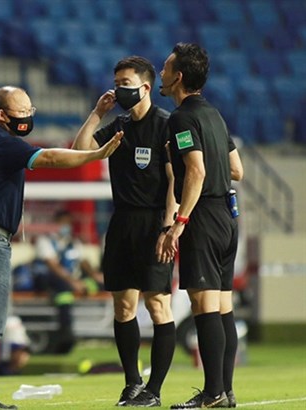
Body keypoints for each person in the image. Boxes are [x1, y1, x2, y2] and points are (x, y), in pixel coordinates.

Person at [0, 85, 123, 410]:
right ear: (2, 115)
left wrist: (96, 117)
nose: (28, 117)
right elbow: (50, 157)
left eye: (31, 110)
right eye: (22, 112)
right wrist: (96, 155)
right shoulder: (3, 144)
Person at [72, 56, 178, 407]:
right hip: (122, 223)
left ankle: (155, 390)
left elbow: (175, 181)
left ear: (146, 87)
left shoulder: (166, 125)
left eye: (126, 84)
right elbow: (80, 152)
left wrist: (170, 226)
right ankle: (132, 382)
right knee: (123, 306)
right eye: (116, 83)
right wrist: (96, 113)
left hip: (154, 223)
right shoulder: (118, 126)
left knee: (159, 305)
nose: (119, 89)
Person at [157, 43, 244, 409]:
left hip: (203, 218)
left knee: (203, 303)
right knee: (222, 306)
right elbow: (237, 170)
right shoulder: (215, 115)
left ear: (178, 77)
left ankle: (212, 394)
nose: (161, 73)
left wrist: (178, 223)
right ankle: (224, 392)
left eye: (164, 68)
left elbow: (196, 171)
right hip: (227, 215)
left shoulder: (180, 119)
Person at [32, 209, 104, 354]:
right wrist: (72, 282)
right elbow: (52, 265)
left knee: (97, 285)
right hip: (49, 279)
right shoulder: (45, 241)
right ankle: (65, 330)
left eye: (68, 224)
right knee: (63, 289)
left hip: (70, 280)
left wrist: (94, 275)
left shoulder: (73, 242)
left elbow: (83, 261)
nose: (66, 226)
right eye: (63, 223)